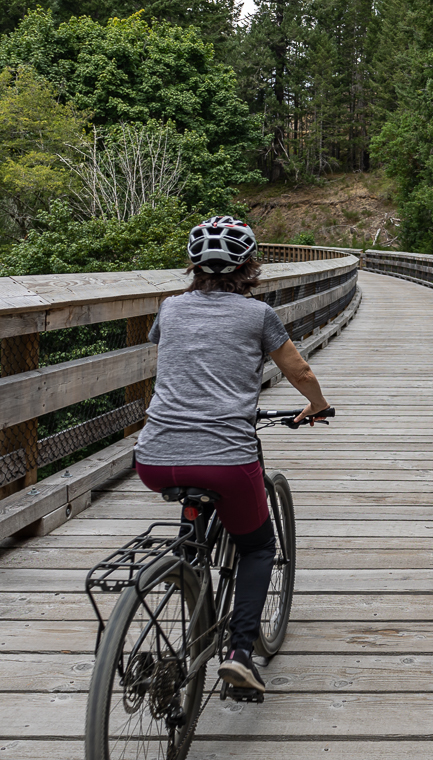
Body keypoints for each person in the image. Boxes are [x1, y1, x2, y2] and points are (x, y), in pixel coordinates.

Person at [133, 216, 331, 695]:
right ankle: (240, 653)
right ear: (249, 266)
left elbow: (175, 351)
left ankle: (186, 566)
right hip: (225, 458)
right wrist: (317, 405)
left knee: (194, 507)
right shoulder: (257, 315)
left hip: (154, 456)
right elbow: (299, 371)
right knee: (258, 547)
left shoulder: (170, 308)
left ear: (193, 266)